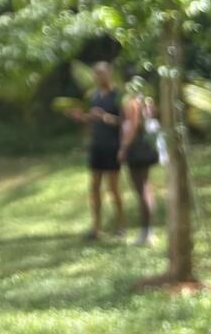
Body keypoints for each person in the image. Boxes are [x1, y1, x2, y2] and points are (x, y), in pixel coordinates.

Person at [63, 59, 125, 239]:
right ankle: (96, 228)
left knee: (113, 188)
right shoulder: (94, 96)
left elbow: (124, 121)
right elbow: (92, 119)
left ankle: (121, 225)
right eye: (96, 75)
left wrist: (106, 117)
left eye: (102, 74)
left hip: (112, 146)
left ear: (109, 74)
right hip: (97, 146)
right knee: (94, 187)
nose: (99, 78)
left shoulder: (118, 95)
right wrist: (81, 117)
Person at [119, 74, 161, 246]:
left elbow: (133, 126)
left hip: (136, 149)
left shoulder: (132, 103)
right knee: (146, 188)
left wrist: (123, 148)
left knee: (142, 189)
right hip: (147, 148)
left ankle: (146, 234)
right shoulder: (147, 102)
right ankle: (149, 231)